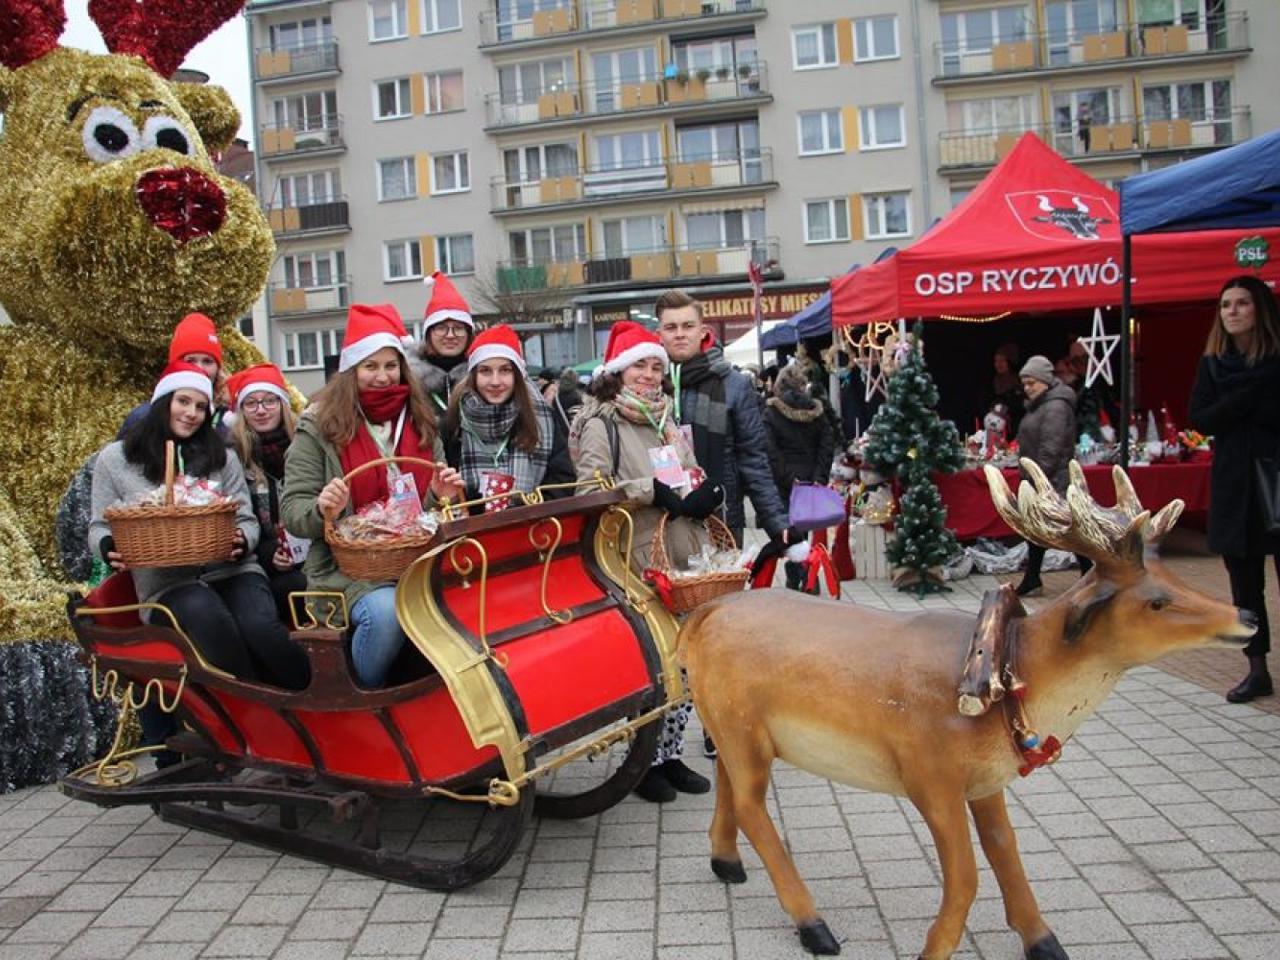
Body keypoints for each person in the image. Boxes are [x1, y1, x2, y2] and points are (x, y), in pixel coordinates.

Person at [569, 321, 723, 803]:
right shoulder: (602, 424)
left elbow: (687, 472)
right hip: (636, 559)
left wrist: (704, 491)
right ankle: (643, 761)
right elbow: (588, 491)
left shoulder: (667, 420)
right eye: (640, 365)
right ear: (618, 371)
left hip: (684, 551)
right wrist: (647, 490)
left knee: (686, 659)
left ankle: (670, 754)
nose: (649, 374)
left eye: (657, 366)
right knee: (654, 661)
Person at [89, 361, 310, 691]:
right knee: (210, 621)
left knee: (260, 628)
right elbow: (99, 526)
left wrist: (243, 541)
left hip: (234, 571)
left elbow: (245, 518)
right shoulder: (115, 459)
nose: (191, 413)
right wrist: (109, 547)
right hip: (166, 585)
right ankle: (255, 706)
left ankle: (312, 694)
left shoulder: (222, 457)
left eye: (201, 406)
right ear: (163, 401)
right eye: (183, 401)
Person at [281, 303, 465, 689]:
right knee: (385, 613)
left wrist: (439, 495)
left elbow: (426, 513)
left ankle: (440, 695)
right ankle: (363, 695)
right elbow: (294, 513)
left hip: (416, 560)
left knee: (469, 598)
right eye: (371, 366)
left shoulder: (420, 419)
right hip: (346, 571)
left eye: (391, 365)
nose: (382, 376)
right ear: (352, 371)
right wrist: (323, 508)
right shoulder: (318, 427)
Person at [1189, 275, 1280, 703]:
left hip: (1274, 477)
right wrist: (1245, 400)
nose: (1232, 311)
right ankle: (1257, 669)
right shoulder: (1213, 364)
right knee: (1244, 586)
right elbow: (1201, 418)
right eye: (1226, 305)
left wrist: (1237, 407)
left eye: (1242, 303)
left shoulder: (1276, 361)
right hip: (1233, 484)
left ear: (1259, 309)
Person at [655, 289, 788, 546]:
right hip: (660, 521)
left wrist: (777, 525)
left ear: (702, 331)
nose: (680, 334)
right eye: (671, 327)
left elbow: (754, 460)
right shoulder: (647, 384)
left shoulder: (734, 385)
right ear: (659, 334)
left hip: (721, 519)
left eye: (688, 326)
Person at [441, 324, 575, 505]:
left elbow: (563, 482)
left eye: (505, 370)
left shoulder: (543, 419)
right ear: (474, 376)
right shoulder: (453, 423)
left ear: (517, 375)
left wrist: (527, 511)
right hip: (472, 522)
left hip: (534, 520)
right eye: (485, 371)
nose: (495, 381)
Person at [227, 363, 307, 624]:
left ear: (282, 403)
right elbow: (237, 519)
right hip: (263, 562)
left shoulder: (306, 444)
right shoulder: (234, 456)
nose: (261, 410)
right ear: (242, 411)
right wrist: (269, 553)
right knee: (288, 588)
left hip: (314, 552)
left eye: (269, 401)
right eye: (251, 403)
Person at [1012, 355, 1089, 597]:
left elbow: (1051, 447)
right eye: (1024, 383)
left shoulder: (1056, 407)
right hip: (1042, 478)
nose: (1027, 388)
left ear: (1045, 380)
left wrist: (1038, 479)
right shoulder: (1040, 405)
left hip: (1054, 480)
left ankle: (1089, 574)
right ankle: (1033, 577)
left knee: (1069, 531)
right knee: (1038, 531)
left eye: (1031, 383)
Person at [764, 364, 836, 592]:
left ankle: (799, 572)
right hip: (811, 478)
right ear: (803, 386)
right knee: (803, 528)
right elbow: (827, 445)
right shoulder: (818, 412)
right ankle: (804, 573)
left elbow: (770, 450)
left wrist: (786, 477)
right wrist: (819, 477)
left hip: (784, 481)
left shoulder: (771, 412)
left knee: (790, 528)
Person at [406, 271, 474, 413]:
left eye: (458, 328)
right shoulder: (407, 379)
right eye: (441, 328)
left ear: (469, 335)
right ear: (428, 335)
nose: (450, 335)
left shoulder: (485, 376)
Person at [985, 343, 1024, 434]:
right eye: (996, 361)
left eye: (1002, 360)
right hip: (995, 428)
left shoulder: (1019, 381)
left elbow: (1022, 405)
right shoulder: (990, 382)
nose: (998, 364)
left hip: (1017, 428)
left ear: (1009, 362)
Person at [551, 367, 584, 431]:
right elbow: (577, 421)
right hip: (570, 432)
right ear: (575, 380)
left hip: (558, 431)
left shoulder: (556, 396)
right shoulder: (576, 397)